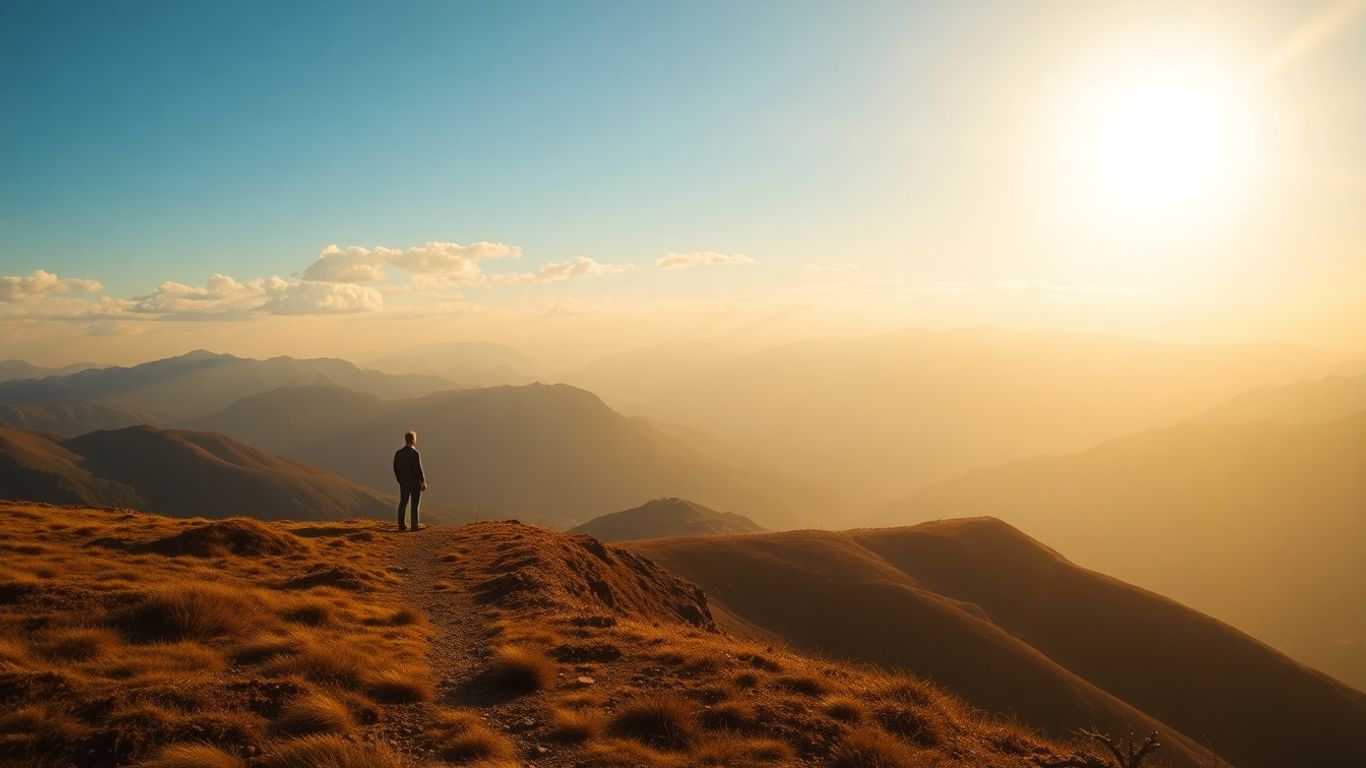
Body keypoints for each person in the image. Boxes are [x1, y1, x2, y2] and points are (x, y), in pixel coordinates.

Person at [393, 430, 427, 531]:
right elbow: (418, 469)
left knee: (403, 502)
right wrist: (422, 481)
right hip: (415, 483)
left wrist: (400, 480)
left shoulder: (398, 453)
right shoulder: (415, 453)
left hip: (403, 482)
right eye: (415, 438)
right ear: (412, 440)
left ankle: (401, 525)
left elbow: (395, 468)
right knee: (414, 504)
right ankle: (414, 525)